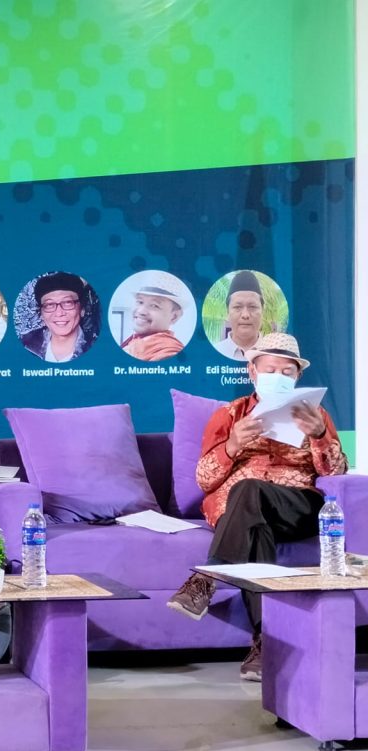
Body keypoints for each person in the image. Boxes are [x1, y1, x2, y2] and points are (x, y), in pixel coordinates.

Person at [166, 333, 347, 681]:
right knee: (254, 519)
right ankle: (266, 644)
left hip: (296, 505)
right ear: (252, 372)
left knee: (250, 491)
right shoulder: (229, 415)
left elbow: (336, 473)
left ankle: (207, 576)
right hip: (241, 513)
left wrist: (319, 435)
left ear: (297, 376)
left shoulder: (316, 415)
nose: (278, 377)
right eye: (270, 370)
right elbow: (204, 480)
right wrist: (232, 445)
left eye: (286, 372)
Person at [20, 272, 96, 363]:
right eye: (49, 305)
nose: (59, 313)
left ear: (82, 310)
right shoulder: (26, 344)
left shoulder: (97, 348)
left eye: (67, 303)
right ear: (41, 314)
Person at [120, 274, 188, 361]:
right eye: (140, 302)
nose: (141, 311)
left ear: (174, 317)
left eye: (154, 305)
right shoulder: (133, 341)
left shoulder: (169, 351)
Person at [212, 270, 264, 360]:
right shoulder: (213, 353)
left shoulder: (275, 353)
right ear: (227, 312)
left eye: (252, 307)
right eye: (237, 307)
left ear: (262, 311)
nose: (245, 315)